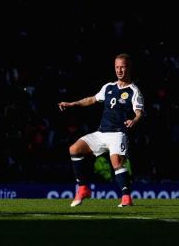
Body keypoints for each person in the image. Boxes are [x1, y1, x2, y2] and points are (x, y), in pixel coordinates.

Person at [58, 53, 144, 208]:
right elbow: (91, 99)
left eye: (122, 67)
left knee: (116, 162)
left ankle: (126, 198)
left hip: (118, 133)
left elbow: (139, 112)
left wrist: (134, 120)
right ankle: (83, 189)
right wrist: (72, 104)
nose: (119, 70)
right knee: (74, 149)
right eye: (117, 67)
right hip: (101, 132)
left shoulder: (134, 91)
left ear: (129, 67)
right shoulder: (109, 87)